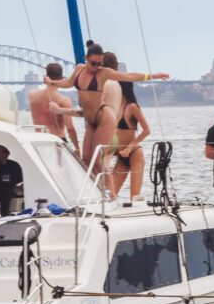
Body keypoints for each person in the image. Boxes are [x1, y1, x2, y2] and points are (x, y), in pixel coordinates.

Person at [44, 41, 169, 176]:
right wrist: (52, 82)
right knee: (86, 161)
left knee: (97, 163)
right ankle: (99, 193)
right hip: (92, 121)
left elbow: (128, 76)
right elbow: (68, 83)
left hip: (104, 120)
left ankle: (111, 195)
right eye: (93, 63)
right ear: (86, 59)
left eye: (100, 63)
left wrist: (152, 76)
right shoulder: (79, 69)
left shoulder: (104, 74)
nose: (97, 67)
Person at [28, 62, 80, 155]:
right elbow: (70, 128)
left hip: (38, 142)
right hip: (58, 141)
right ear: (62, 79)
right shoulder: (64, 101)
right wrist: (77, 148)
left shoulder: (32, 95)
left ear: (45, 77)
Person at [113, 82, 151, 199]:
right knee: (111, 195)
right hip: (120, 155)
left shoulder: (132, 107)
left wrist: (130, 147)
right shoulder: (114, 107)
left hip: (134, 153)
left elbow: (146, 130)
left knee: (134, 196)